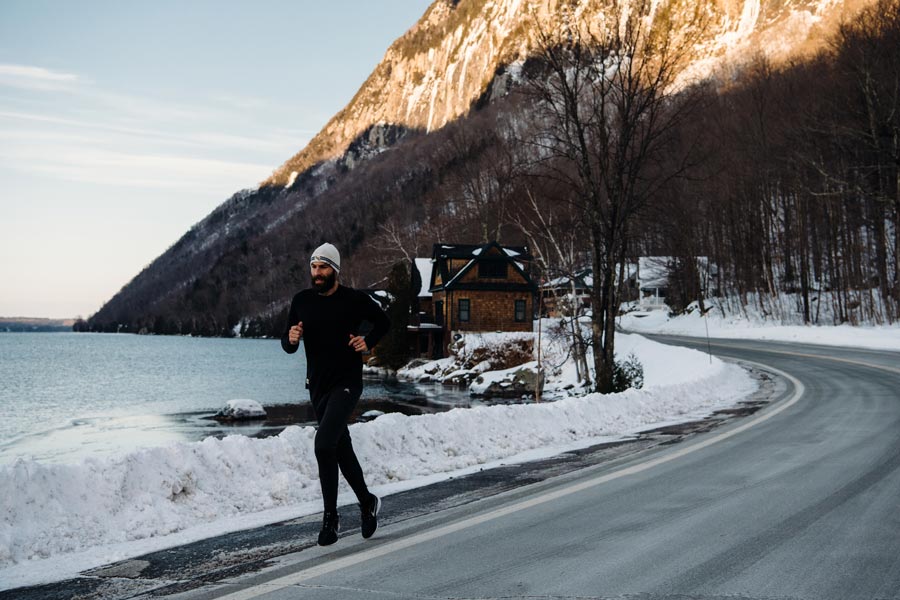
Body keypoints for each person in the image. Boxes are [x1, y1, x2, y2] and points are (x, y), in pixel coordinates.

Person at [281, 242, 391, 546]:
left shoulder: (354, 300)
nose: (317, 273)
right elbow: (288, 344)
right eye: (314, 267)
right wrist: (290, 339)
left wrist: (367, 342)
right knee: (340, 448)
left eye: (323, 267)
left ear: (335, 270)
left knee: (323, 443)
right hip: (317, 386)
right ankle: (367, 502)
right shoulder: (301, 301)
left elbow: (384, 322)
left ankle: (331, 519)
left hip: (347, 383)